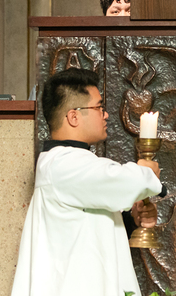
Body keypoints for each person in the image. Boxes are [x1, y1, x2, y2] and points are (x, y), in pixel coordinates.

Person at [11, 68, 162, 296]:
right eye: (99, 107)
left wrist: (132, 218)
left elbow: (90, 224)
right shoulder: (62, 164)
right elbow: (122, 179)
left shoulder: (73, 164)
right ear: (73, 117)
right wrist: (147, 172)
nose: (106, 115)